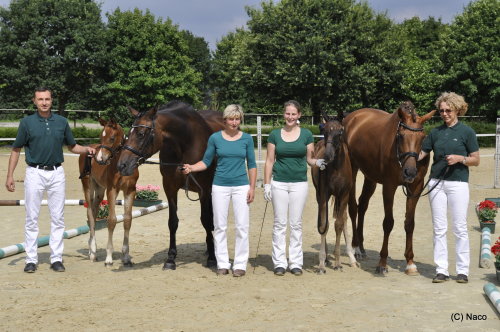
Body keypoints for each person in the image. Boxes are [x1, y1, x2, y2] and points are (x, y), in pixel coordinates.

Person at [5, 87, 96, 273]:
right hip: (34, 173)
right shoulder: (26, 123)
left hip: (56, 173)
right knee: (32, 217)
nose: (44, 102)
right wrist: (10, 175)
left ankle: (56, 258)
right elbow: (16, 150)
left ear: (51, 100)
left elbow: (72, 147)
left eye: (47, 99)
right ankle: (31, 259)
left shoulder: (62, 122)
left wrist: (88, 149)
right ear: (34, 101)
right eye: (40, 99)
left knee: (58, 218)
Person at [182, 104, 256, 277]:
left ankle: (239, 264)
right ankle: (222, 263)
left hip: (241, 186)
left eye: (237, 119)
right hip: (220, 186)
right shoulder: (215, 138)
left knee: (242, 226)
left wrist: (252, 187)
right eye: (231, 118)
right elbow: (206, 162)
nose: (234, 122)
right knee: (220, 226)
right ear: (225, 120)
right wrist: (191, 167)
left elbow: (251, 165)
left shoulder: (246, 139)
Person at [419, 92, 479, 284]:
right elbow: (421, 153)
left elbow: (476, 159)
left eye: (448, 110)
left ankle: (462, 271)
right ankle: (441, 269)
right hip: (436, 184)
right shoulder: (435, 133)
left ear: (457, 110)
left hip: (458, 183)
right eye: (442, 110)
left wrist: (460, 159)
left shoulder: (467, 132)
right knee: (439, 228)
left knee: (460, 228)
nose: (444, 114)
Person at [263, 100, 326, 276]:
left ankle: (296, 262)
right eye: (287, 113)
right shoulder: (275, 135)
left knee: (296, 223)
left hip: (299, 183)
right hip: (279, 183)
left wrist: (318, 162)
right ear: (284, 115)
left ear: (299, 115)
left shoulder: (306, 135)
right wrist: (267, 184)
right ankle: (280, 262)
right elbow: (269, 161)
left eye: (293, 114)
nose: (290, 117)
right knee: (279, 223)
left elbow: (310, 159)